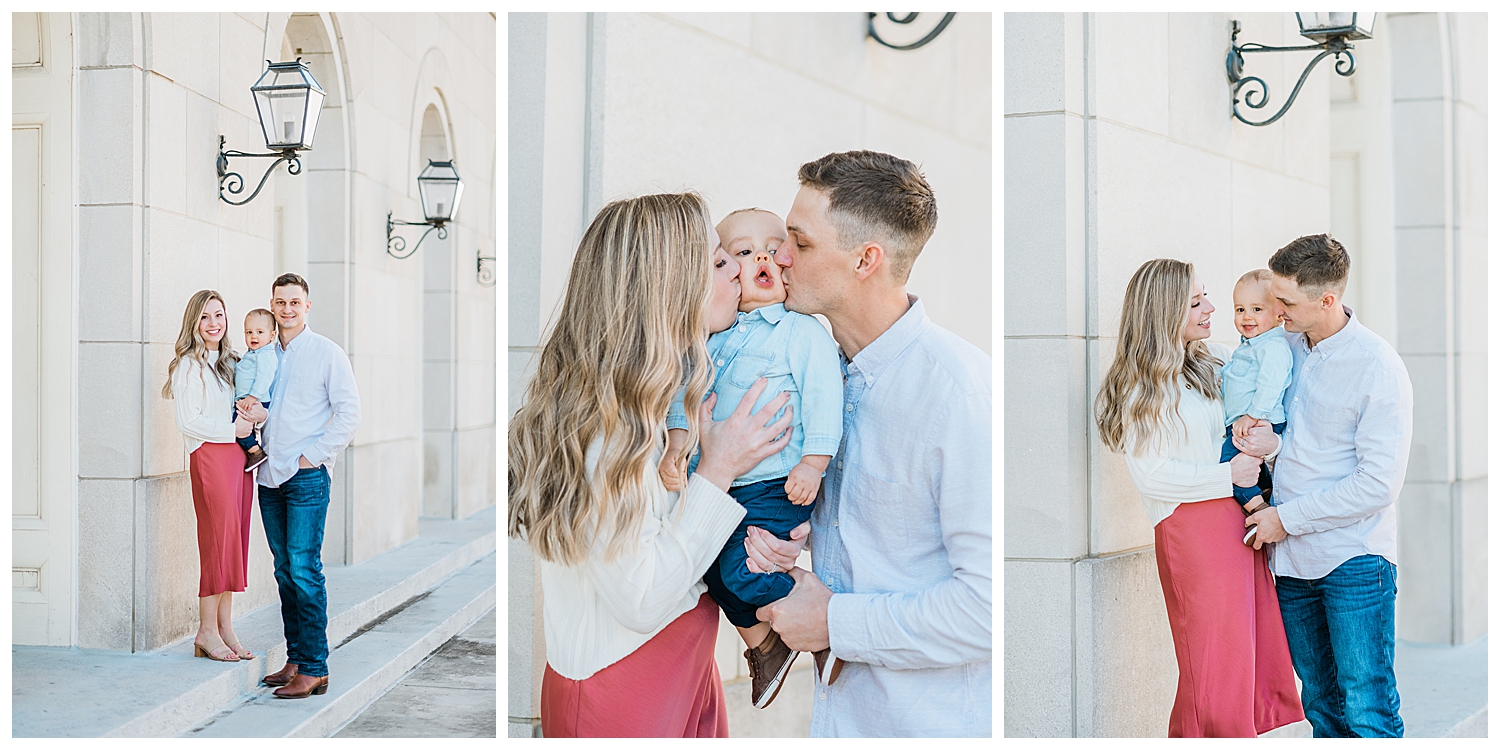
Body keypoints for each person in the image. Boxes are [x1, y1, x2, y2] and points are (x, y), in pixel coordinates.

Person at [508, 192, 804, 738]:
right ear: (666, 290)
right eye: (719, 262)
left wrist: (774, 540)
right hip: (621, 690)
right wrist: (718, 469)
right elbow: (641, 598)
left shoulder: (670, 403)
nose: (740, 272)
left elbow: (685, 537)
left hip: (686, 666)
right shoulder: (605, 429)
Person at [751, 151, 992, 737]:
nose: (779, 257)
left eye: (800, 244)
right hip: (841, 721)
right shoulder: (818, 374)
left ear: (865, 260)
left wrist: (836, 621)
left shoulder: (957, 393)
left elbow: (988, 608)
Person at [1095, 258, 1304, 737]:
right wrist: (1227, 474)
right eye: (1195, 301)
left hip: (1239, 525)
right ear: (1164, 311)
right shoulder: (1141, 387)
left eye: (1206, 295)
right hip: (1192, 531)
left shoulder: (1218, 360)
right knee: (1213, 667)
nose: (1212, 308)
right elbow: (1152, 476)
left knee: (1247, 660)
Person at [660, 207, 844, 709]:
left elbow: (824, 396)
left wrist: (814, 464)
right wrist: (679, 442)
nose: (761, 255)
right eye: (741, 253)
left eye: (772, 246)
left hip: (777, 484)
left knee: (742, 570)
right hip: (723, 484)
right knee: (711, 571)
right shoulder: (712, 338)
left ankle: (817, 632)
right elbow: (684, 391)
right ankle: (768, 645)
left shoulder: (799, 332)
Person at [1238, 234, 1413, 737]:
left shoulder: (1377, 366)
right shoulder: (1282, 349)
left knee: (1367, 708)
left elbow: (1379, 483)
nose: (1275, 309)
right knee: (1321, 707)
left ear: (1327, 300)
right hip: (1292, 565)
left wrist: (1284, 518)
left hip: (1354, 561)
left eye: (1286, 301)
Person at [237, 273, 361, 699]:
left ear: (307, 306)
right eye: (279, 302)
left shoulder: (327, 353)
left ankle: (315, 668)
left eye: (294, 302)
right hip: (269, 477)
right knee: (285, 571)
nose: (286, 309)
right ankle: (296, 658)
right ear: (272, 305)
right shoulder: (263, 354)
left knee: (305, 571)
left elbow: (349, 412)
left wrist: (314, 456)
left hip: (305, 477)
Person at [162, 290, 257, 662]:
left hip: (237, 459)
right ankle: (205, 630)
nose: (214, 323)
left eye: (218, 315)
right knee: (217, 542)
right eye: (205, 317)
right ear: (193, 323)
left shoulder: (232, 362)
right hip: (210, 456)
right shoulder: (188, 365)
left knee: (233, 541)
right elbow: (188, 421)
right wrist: (232, 430)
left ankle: (224, 627)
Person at [1219, 269, 1294, 543]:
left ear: (1278, 313)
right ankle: (1260, 502)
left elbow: (1270, 385)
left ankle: (1258, 512)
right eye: (1240, 309)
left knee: (1230, 466)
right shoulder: (1249, 346)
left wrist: (1253, 415)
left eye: (1256, 309)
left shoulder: (1272, 347)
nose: (1246, 317)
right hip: (1246, 421)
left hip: (1259, 422)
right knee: (1244, 469)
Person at [234, 308, 278, 472]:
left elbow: (264, 379)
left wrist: (252, 398)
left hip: (255, 400)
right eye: (249, 332)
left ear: (272, 335)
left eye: (260, 332)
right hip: (247, 399)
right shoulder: (253, 353)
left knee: (240, 429)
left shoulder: (266, 355)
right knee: (239, 427)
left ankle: (256, 452)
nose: (254, 336)